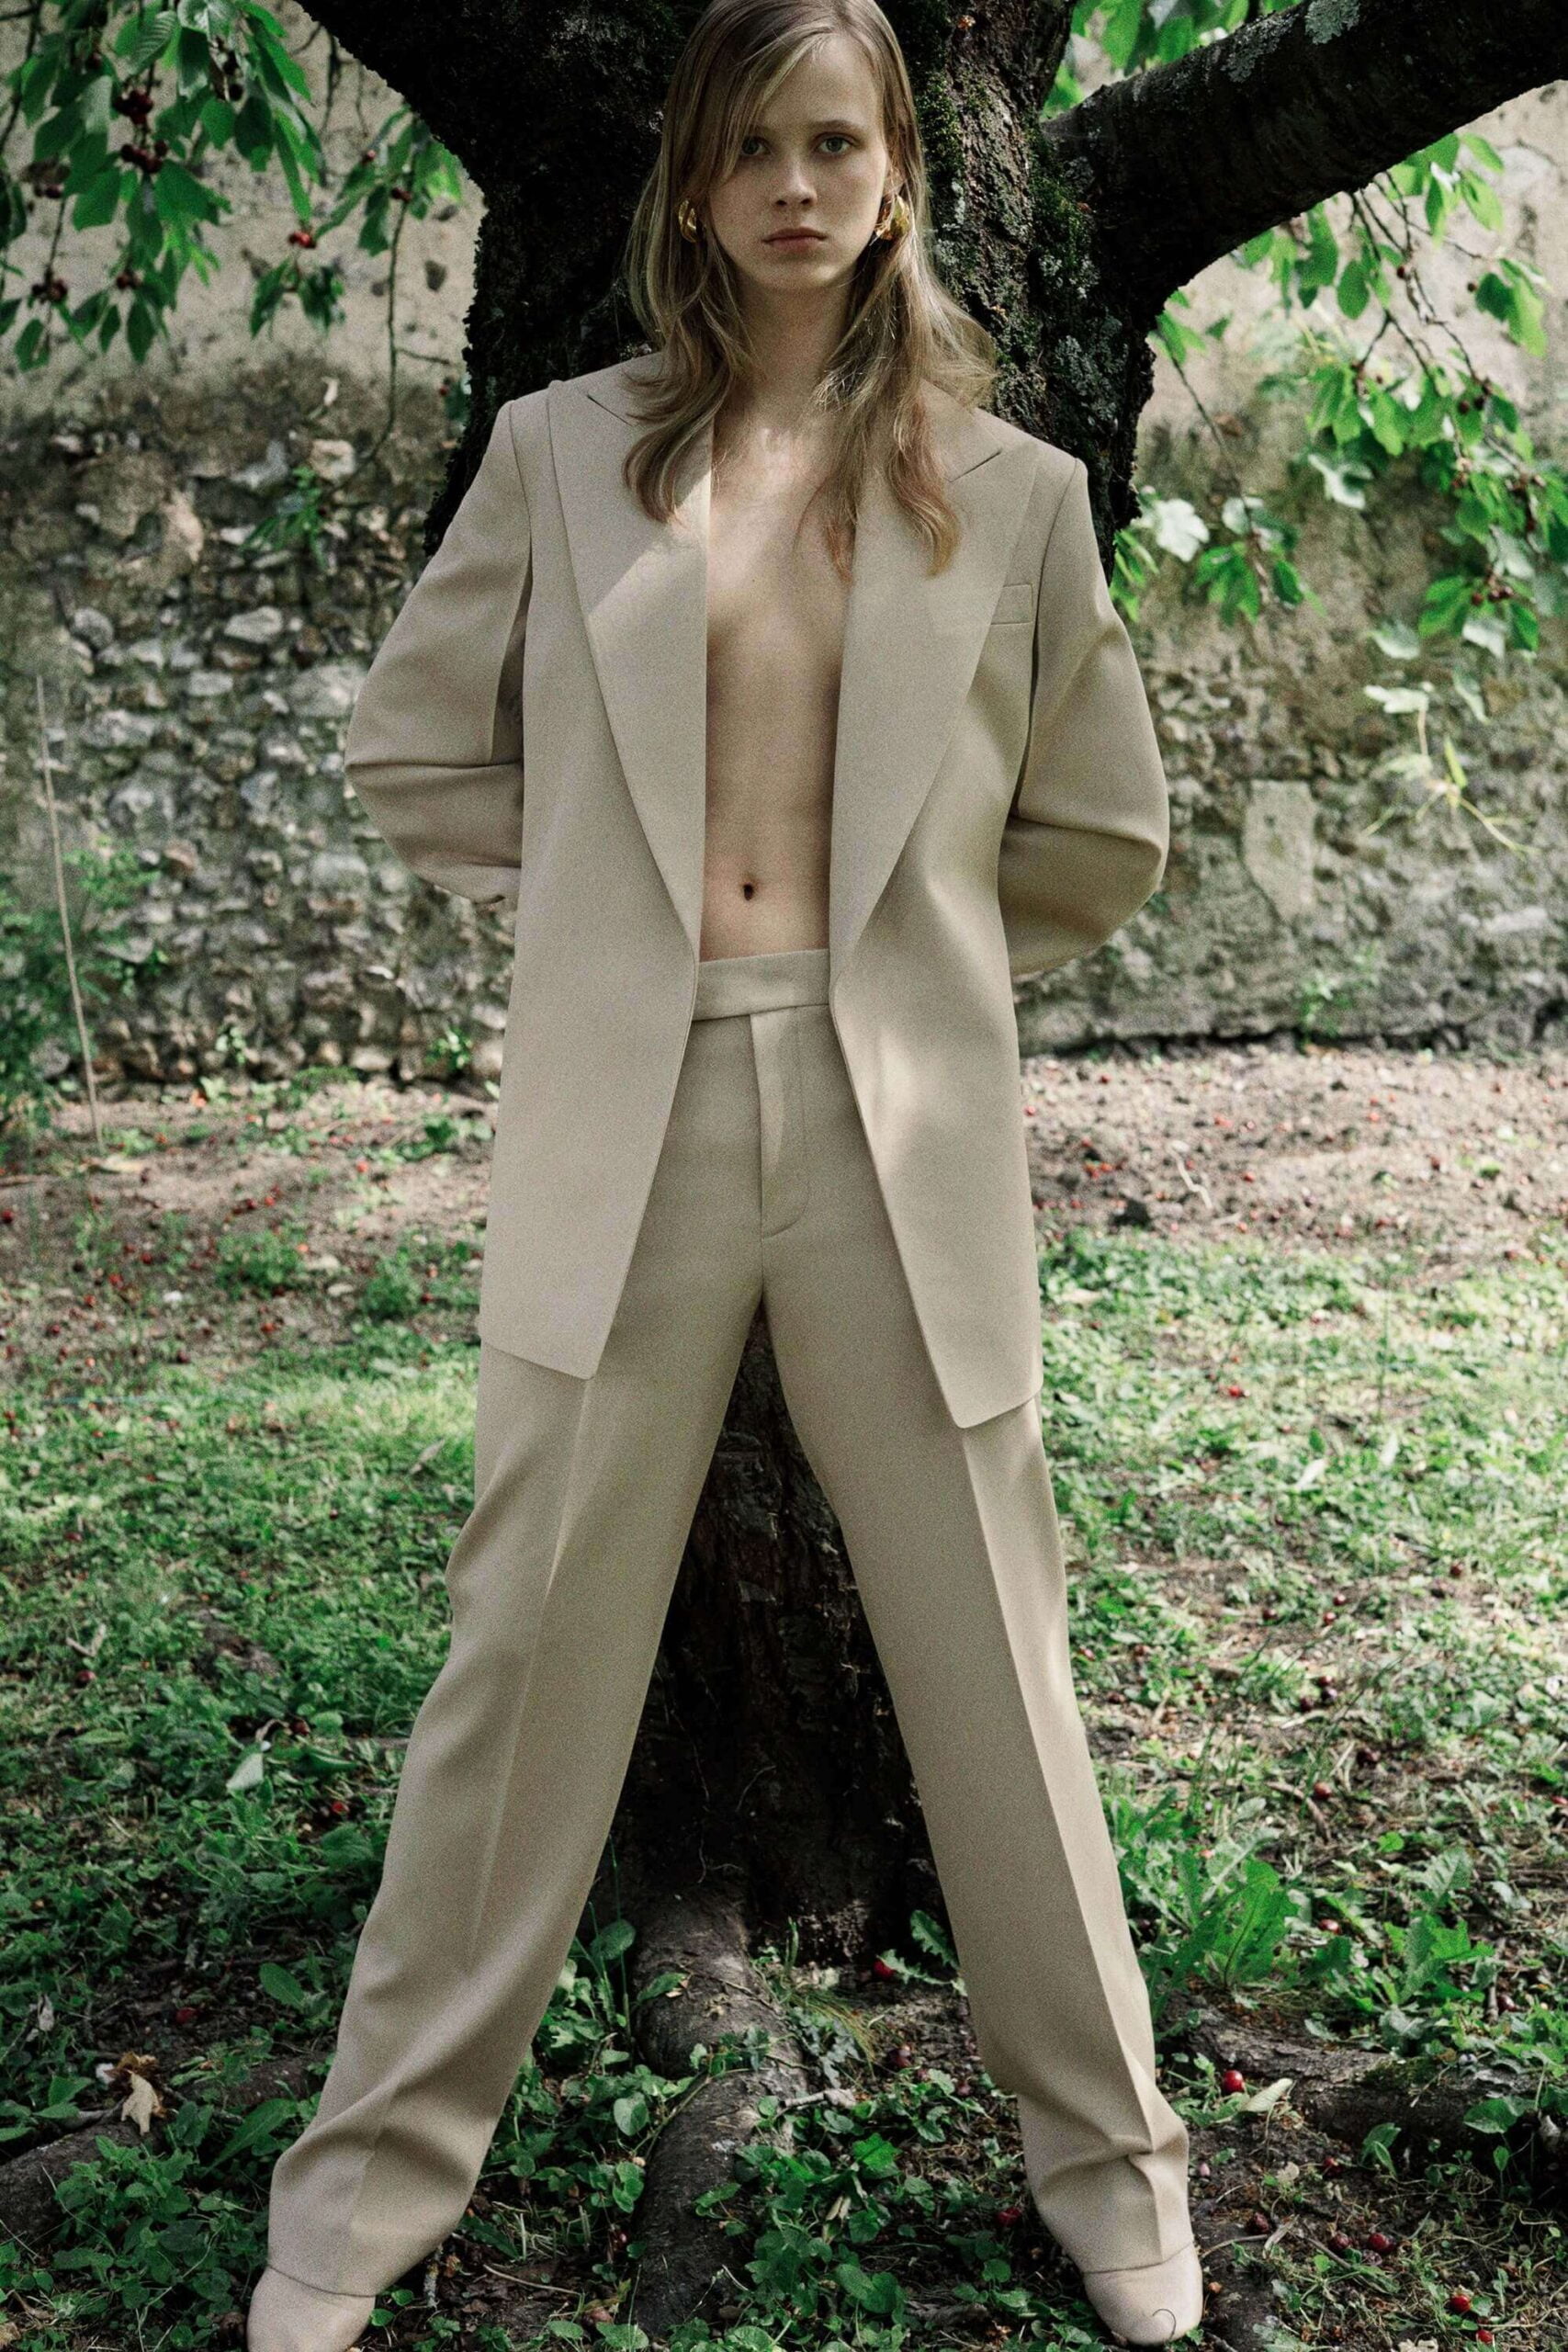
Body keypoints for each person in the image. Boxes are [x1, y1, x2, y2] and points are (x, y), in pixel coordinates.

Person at [248, 0, 1203, 2344]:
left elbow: (1100, 833)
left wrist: (922, 952)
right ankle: (356, 2201)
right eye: (754, 143)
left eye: (835, 141)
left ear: (895, 179)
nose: (794, 182)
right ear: (692, 181)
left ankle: (1115, 2174)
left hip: (895, 1125)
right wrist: (594, 905)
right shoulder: (561, 457)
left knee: (998, 1655)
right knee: (518, 1653)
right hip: (632, 1104)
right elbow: (411, 750)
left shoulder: (1013, 493)